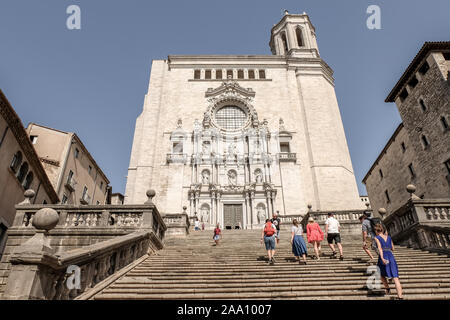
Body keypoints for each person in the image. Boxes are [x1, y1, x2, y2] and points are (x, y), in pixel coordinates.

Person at [374, 223, 403, 299]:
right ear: (382, 230)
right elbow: (393, 248)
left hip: (383, 255)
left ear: (376, 231)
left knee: (380, 273)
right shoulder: (389, 237)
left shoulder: (376, 238)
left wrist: (382, 258)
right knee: (395, 277)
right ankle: (400, 297)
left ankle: (387, 288)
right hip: (390, 256)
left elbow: (379, 248)